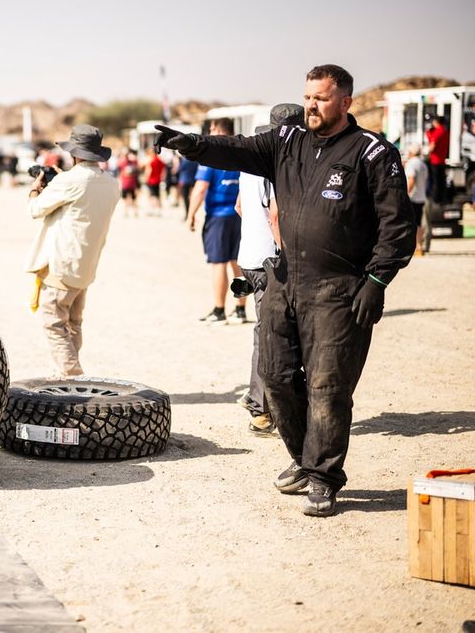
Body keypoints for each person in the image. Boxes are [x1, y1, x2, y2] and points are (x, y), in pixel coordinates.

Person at [155, 64, 414, 517]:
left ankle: (323, 478)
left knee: (328, 386)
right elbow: (234, 149)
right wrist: (191, 144)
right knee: (274, 377)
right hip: (284, 280)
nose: (312, 105)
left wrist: (376, 280)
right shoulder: (287, 141)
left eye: (322, 98)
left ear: (346, 102)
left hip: (340, 289)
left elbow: (399, 225)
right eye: (308, 96)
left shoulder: (372, 153)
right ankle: (303, 459)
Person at [25, 124, 120, 376]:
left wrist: (36, 188)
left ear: (74, 154)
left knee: (54, 322)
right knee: (74, 324)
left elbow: (35, 209)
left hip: (61, 264)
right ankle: (63, 374)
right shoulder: (111, 183)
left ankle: (72, 375)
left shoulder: (68, 181)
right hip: (86, 264)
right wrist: (60, 180)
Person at [234, 104, 303, 436]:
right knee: (272, 335)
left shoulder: (250, 164)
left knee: (267, 331)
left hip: (249, 257)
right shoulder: (277, 164)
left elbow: (240, 207)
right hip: (271, 261)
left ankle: (264, 405)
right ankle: (261, 408)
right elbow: (277, 216)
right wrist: (285, 253)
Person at [186, 118, 246, 325]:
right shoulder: (242, 153)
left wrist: (190, 214)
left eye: (211, 129)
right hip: (240, 216)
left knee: (218, 263)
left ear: (220, 131)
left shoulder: (211, 158)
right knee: (238, 263)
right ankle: (240, 310)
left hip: (218, 217)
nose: (209, 133)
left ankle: (219, 310)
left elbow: (200, 188)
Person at [404, 144, 429, 256]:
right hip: (421, 197)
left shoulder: (411, 163)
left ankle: (413, 247)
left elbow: (411, 179)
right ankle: (419, 246)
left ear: (411, 152)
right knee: (418, 224)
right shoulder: (423, 164)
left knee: (411, 224)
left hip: (412, 197)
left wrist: (406, 193)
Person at [425, 116, 449, 204]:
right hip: (442, 160)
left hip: (435, 160)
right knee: (441, 181)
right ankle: (442, 198)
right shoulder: (445, 131)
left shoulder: (438, 131)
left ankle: (435, 199)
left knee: (435, 181)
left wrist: (426, 151)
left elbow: (432, 146)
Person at [117, 150, 140, 217]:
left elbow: (120, 172)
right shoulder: (131, 162)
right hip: (128, 184)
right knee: (130, 200)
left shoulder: (132, 162)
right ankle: (130, 212)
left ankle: (131, 212)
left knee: (130, 199)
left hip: (129, 184)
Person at [143, 146, 166, 214]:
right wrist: (162, 177)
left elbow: (148, 171)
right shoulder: (159, 159)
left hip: (151, 180)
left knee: (153, 195)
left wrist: (146, 178)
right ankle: (159, 209)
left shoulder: (151, 161)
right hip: (158, 180)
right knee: (157, 194)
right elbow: (164, 169)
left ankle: (154, 210)